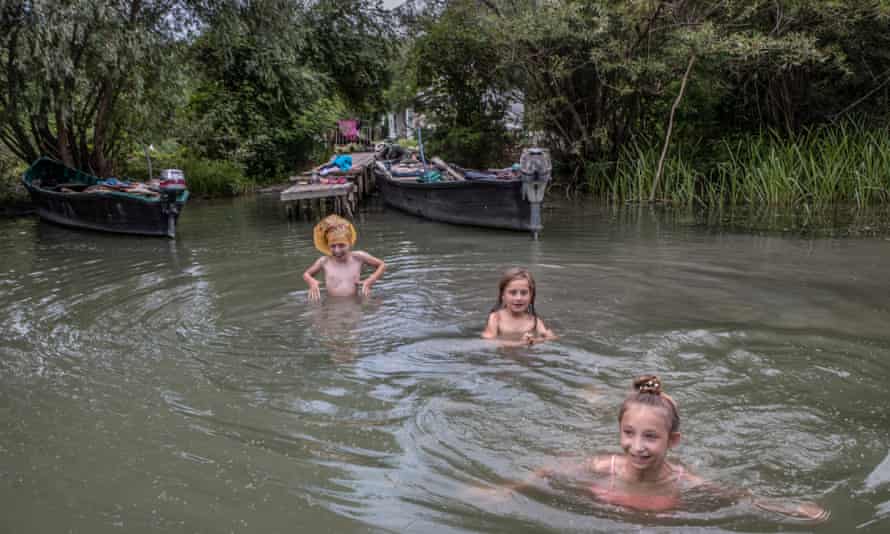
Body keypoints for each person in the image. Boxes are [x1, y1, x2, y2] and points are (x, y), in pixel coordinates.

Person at [468, 375, 829, 522]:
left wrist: (791, 508)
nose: (636, 447)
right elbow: (547, 470)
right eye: (628, 433)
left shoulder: (684, 481)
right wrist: (505, 490)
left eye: (650, 437)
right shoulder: (603, 466)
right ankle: (590, 397)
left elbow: (740, 496)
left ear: (673, 441)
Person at [302, 214, 385, 302]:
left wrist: (370, 280)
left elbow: (382, 265)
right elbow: (306, 274)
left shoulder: (358, 257)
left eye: (341, 245)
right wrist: (311, 282)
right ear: (327, 246)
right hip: (332, 305)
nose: (337, 250)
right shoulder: (324, 261)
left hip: (354, 303)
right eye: (333, 246)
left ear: (349, 243)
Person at [482, 268, 555, 346]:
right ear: (503, 295)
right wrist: (520, 343)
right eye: (513, 293)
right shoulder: (496, 318)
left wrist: (534, 340)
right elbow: (488, 341)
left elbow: (550, 338)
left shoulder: (534, 321)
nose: (518, 298)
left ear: (531, 296)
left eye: (524, 293)